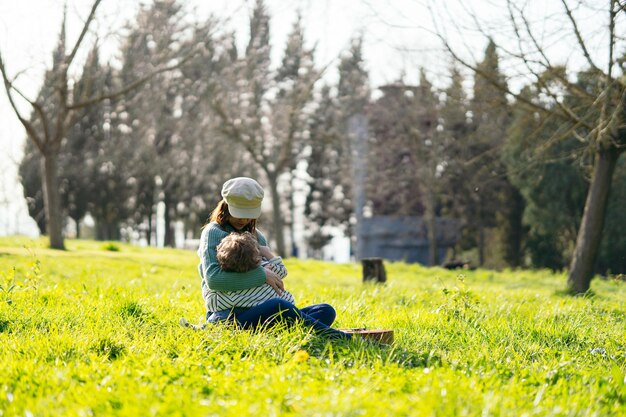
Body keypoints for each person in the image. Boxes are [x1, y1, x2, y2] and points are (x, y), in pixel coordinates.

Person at [197, 177, 351, 339]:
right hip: (229, 315)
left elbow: (275, 271)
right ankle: (338, 337)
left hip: (258, 309)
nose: (244, 220)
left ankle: (276, 332)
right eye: (239, 214)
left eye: (248, 215)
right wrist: (261, 276)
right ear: (226, 206)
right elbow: (214, 280)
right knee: (279, 307)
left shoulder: (256, 236)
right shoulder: (213, 232)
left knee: (325, 311)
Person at [210, 231, 295, 311]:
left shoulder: (231, 295)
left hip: (259, 318)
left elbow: (213, 304)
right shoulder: (266, 267)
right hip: (287, 307)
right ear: (256, 257)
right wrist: (267, 253)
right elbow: (282, 271)